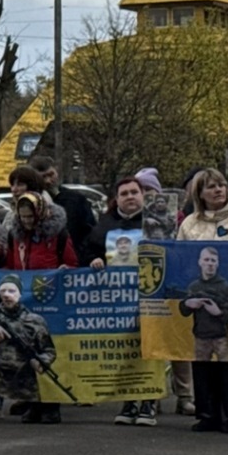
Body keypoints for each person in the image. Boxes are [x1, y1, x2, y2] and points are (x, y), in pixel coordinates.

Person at [177, 168, 228, 434]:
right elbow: (181, 259)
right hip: (199, 297)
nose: (218, 190)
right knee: (201, 362)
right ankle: (206, 413)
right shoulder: (189, 223)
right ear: (200, 193)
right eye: (211, 187)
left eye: (222, 185)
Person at [83, 176, 169, 426]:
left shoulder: (157, 222)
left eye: (134, 192)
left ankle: (149, 402)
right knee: (125, 349)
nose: (130, 197)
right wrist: (94, 261)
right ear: (116, 199)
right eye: (124, 193)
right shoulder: (106, 224)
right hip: (118, 299)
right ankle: (129, 400)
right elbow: (90, 251)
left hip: (151, 295)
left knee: (151, 347)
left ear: (144, 195)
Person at [0, 277, 58, 424]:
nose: (7, 295)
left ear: (20, 294)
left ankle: (41, 406)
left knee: (47, 416)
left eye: (12, 291)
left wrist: (42, 362)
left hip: (28, 377)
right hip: (1, 376)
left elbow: (49, 350)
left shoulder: (34, 320)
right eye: (3, 291)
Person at [29, 155, 95, 258]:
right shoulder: (29, 202)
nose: (48, 181)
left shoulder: (76, 199)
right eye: (43, 177)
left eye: (51, 175)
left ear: (56, 171)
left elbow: (90, 231)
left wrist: (82, 255)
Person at [2, 191, 78, 270]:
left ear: (40, 212)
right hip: (21, 278)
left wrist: (65, 269)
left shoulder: (58, 235)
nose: (26, 221)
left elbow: (72, 265)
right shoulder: (14, 235)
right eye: (23, 216)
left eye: (30, 216)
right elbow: (9, 265)